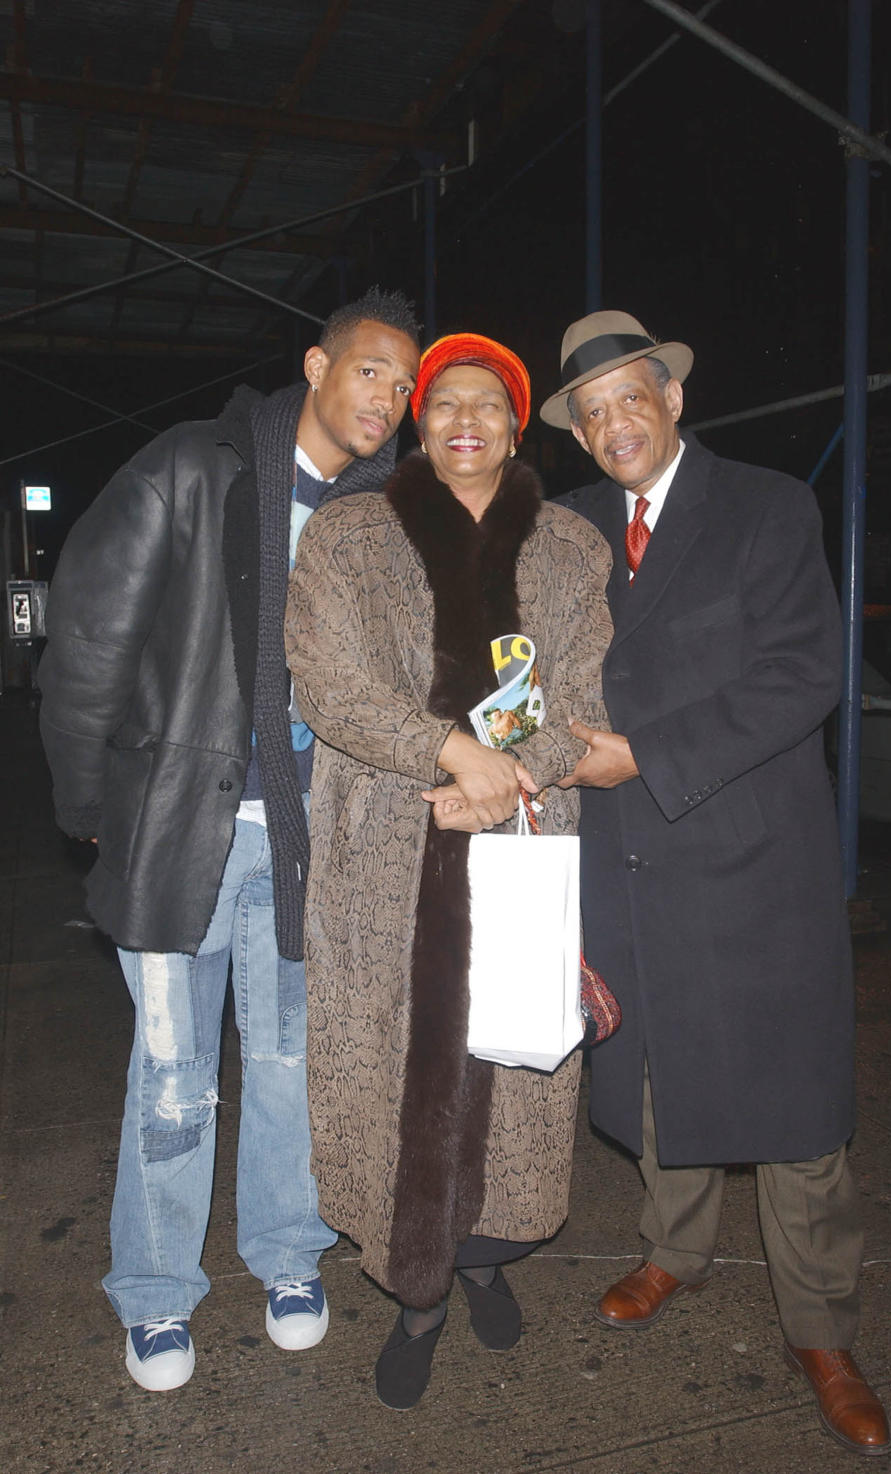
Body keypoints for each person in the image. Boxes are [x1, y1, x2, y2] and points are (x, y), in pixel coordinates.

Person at [38, 287, 421, 1392]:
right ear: (316, 365)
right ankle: (156, 1295)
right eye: (372, 372)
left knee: (291, 1065)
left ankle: (287, 1254)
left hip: (305, 844)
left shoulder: (375, 514)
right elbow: (90, 640)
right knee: (172, 1074)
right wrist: (87, 808)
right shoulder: (192, 470)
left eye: (402, 386)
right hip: (176, 831)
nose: (388, 401)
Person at [541, 310, 891, 1457]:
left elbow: (803, 673)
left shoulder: (766, 506)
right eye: (590, 414)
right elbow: (523, 654)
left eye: (629, 397)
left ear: (675, 398)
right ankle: (673, 1252)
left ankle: (822, 1328)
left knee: (794, 1111)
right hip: (626, 860)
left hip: (750, 859)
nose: (612, 424)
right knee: (653, 1077)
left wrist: (647, 753)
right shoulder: (574, 528)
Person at [285, 332, 613, 1410]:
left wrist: (512, 774)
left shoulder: (569, 549)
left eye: (489, 402)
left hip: (517, 844)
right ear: (421, 426)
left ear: (517, 428)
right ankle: (415, 1290)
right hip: (385, 844)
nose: (464, 416)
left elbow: (583, 708)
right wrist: (453, 752)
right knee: (392, 1070)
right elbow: (325, 683)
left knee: (511, 1068)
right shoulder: (349, 533)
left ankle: (477, 1259)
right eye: (443, 401)